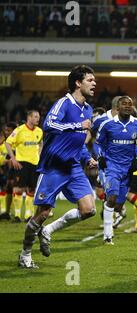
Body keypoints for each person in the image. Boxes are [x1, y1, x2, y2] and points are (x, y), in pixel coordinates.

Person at [18, 65, 98, 269]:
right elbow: (49, 125)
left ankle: (48, 230)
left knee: (89, 210)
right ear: (78, 83)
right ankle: (25, 254)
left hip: (72, 166)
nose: (94, 83)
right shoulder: (64, 103)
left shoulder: (87, 109)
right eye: (90, 80)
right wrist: (76, 126)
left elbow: (78, 142)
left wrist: (87, 158)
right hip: (53, 166)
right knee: (42, 213)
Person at [95, 96, 137, 245]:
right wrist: (100, 157)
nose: (128, 106)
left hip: (127, 169)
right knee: (111, 198)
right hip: (112, 167)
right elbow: (98, 144)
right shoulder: (107, 125)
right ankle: (107, 236)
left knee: (118, 204)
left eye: (130, 104)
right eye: (124, 104)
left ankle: (114, 214)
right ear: (117, 107)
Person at [90, 97, 127, 228]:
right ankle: (116, 213)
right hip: (105, 162)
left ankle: (113, 217)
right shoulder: (101, 120)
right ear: (117, 108)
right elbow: (90, 133)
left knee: (109, 190)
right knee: (102, 191)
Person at [5, 111, 43, 223]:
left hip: (34, 164)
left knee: (31, 190)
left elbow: (40, 143)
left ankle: (28, 215)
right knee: (18, 189)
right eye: (36, 117)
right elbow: (8, 143)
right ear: (29, 117)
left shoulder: (39, 131)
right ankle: (17, 216)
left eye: (39, 117)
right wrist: (13, 158)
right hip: (22, 163)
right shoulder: (19, 130)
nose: (38, 119)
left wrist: (39, 155)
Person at [0, 122, 17, 219]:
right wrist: (6, 161)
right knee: (8, 188)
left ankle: (18, 213)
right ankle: (7, 212)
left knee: (21, 189)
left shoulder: (16, 142)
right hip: (8, 170)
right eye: (5, 130)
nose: (6, 132)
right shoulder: (5, 144)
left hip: (19, 169)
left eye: (9, 130)